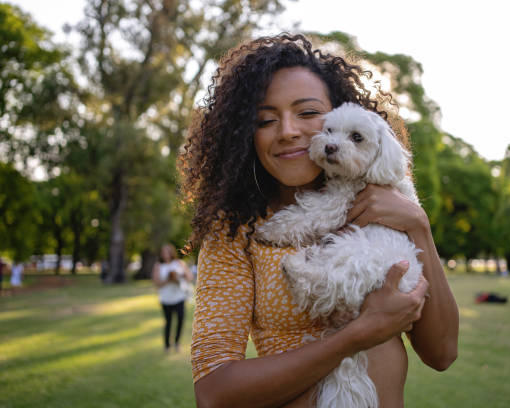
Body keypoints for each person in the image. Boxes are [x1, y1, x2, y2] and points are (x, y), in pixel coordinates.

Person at [180, 34, 459, 407]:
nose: (288, 131)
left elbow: (442, 354)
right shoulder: (237, 232)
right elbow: (214, 393)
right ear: (246, 134)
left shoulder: (386, 204)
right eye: (265, 119)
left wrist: (418, 227)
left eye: (308, 113)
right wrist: (356, 336)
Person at [152, 243, 194, 352]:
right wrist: (168, 280)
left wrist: (180, 276)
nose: (165, 254)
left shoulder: (179, 263)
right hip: (166, 298)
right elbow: (156, 282)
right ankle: (167, 345)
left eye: (167, 252)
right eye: (163, 252)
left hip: (179, 297)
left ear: (172, 253)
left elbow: (189, 277)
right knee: (168, 322)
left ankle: (177, 343)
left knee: (180, 320)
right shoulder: (158, 265)